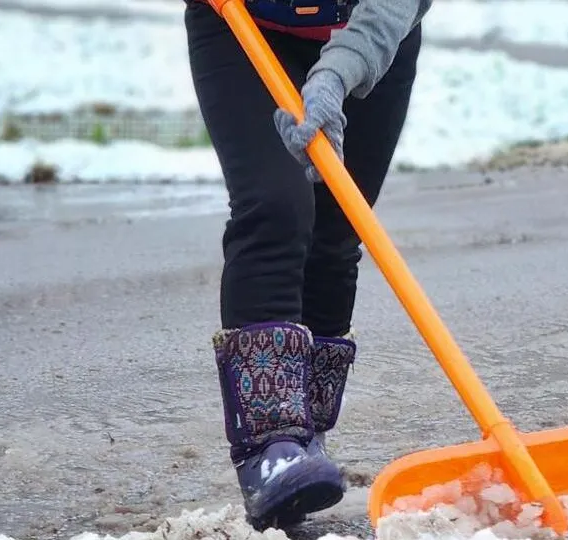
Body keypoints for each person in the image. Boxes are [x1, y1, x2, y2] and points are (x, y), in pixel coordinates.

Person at [184, 0, 432, 530]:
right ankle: (270, 447)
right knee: (275, 205)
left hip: (370, 31)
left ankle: (305, 439)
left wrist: (336, 76)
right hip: (243, 25)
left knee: (337, 229)